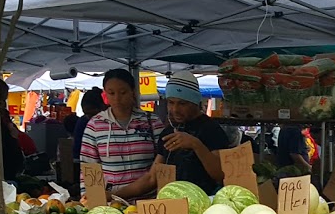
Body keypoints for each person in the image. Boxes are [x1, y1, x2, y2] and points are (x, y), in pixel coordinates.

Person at [114, 72, 229, 200]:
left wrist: (196, 145)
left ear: (195, 102)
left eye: (182, 104)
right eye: (171, 102)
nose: (175, 109)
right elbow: (152, 178)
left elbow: (221, 174)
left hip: (204, 204)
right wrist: (115, 195)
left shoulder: (212, 129)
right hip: (170, 207)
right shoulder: (168, 132)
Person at [79, 69, 158, 203]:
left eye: (123, 92)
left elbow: (162, 165)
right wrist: (91, 199)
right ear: (105, 94)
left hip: (148, 203)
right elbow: (89, 167)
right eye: (111, 93)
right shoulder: (95, 125)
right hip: (111, 204)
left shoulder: (151, 122)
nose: (117, 98)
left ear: (133, 91)